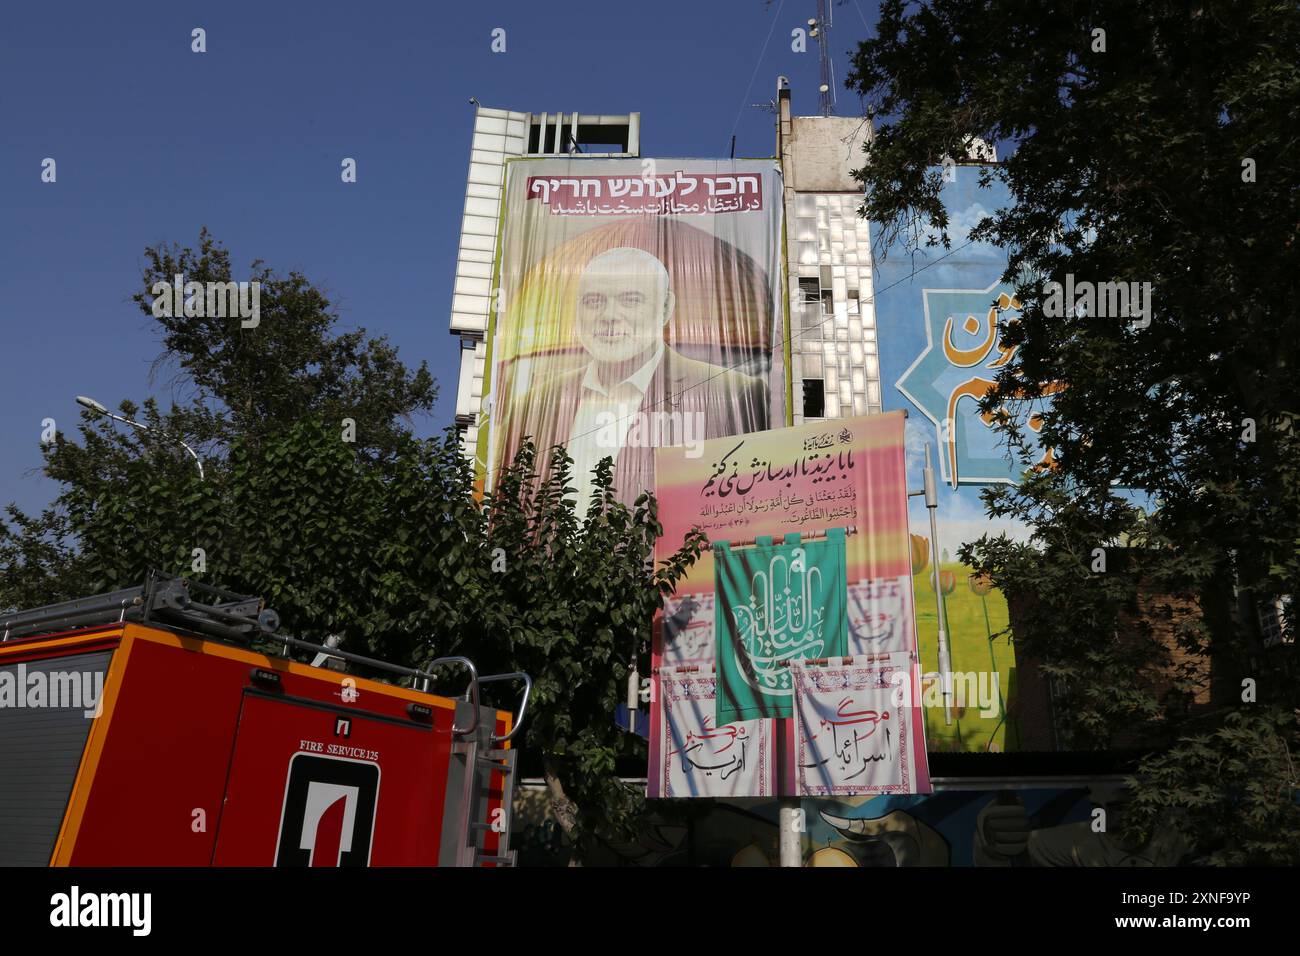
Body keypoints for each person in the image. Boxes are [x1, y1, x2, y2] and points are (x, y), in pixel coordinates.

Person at [509, 247, 769, 511]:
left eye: (631, 300)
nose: (609, 316)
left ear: (666, 307)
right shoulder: (536, 405)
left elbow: (747, 515)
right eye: (593, 301)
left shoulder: (731, 396)